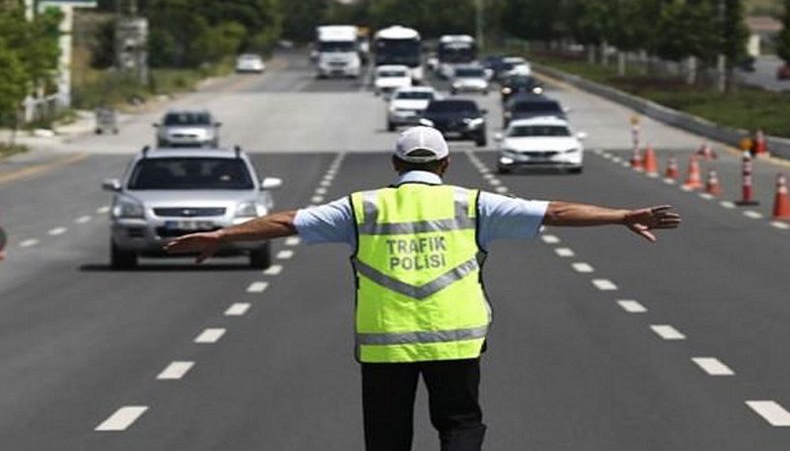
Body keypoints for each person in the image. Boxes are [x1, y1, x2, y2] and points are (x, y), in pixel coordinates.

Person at [165, 126, 681, 451]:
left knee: (387, 436)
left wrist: (224, 234)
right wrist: (621, 215)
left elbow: (285, 221)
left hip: (385, 342)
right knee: (459, 425)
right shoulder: (474, 203)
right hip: (455, 339)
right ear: (444, 164)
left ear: (395, 165)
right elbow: (555, 212)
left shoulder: (361, 208)